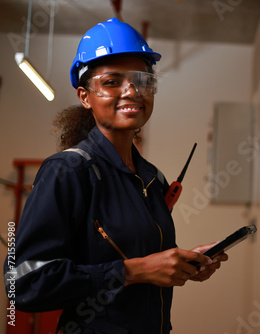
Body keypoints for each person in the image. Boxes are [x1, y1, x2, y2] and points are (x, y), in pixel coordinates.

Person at [4, 18, 227, 333]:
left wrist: (182, 265)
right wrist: (132, 271)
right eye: (112, 82)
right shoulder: (67, 172)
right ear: (85, 96)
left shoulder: (152, 178)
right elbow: (22, 284)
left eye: (142, 80)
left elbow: (146, 264)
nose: (132, 91)